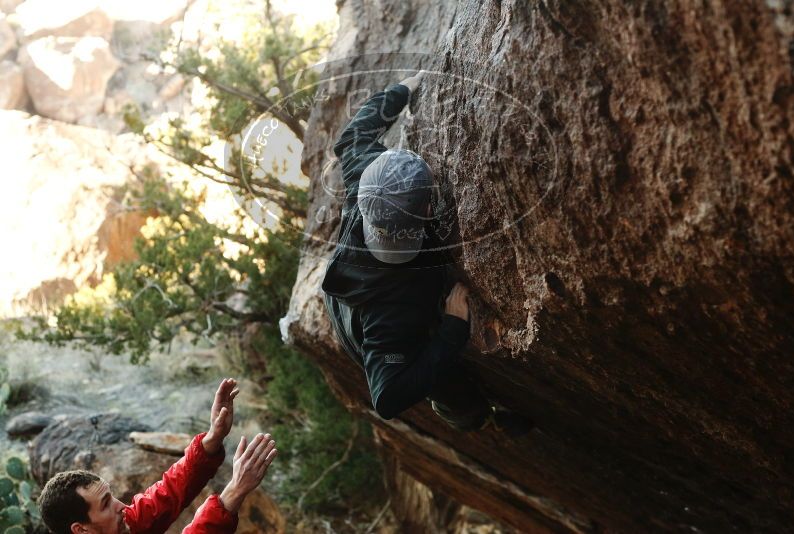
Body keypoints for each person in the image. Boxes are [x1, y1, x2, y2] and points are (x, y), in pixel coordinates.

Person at [322, 72, 530, 435]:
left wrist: (403, 90)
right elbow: (387, 397)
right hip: (376, 333)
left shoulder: (365, 182)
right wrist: (451, 331)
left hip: (346, 290)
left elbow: (352, 137)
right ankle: (478, 418)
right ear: (429, 211)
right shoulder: (395, 312)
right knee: (444, 381)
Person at [37, 378, 278, 534]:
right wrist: (234, 491)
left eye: (110, 497)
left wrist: (212, 439)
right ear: (80, 530)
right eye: (105, 505)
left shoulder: (123, 524)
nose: (122, 506)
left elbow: (167, 493)